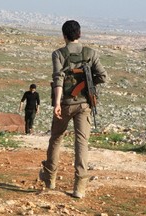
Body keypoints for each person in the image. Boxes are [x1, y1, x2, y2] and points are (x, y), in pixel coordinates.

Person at [39, 20, 107, 198]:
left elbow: (58, 78)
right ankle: (79, 188)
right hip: (85, 104)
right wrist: (87, 82)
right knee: (81, 143)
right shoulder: (91, 53)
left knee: (56, 139)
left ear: (64, 36)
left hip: (66, 104)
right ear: (79, 34)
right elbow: (103, 76)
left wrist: (57, 104)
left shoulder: (58, 54)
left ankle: (50, 178)